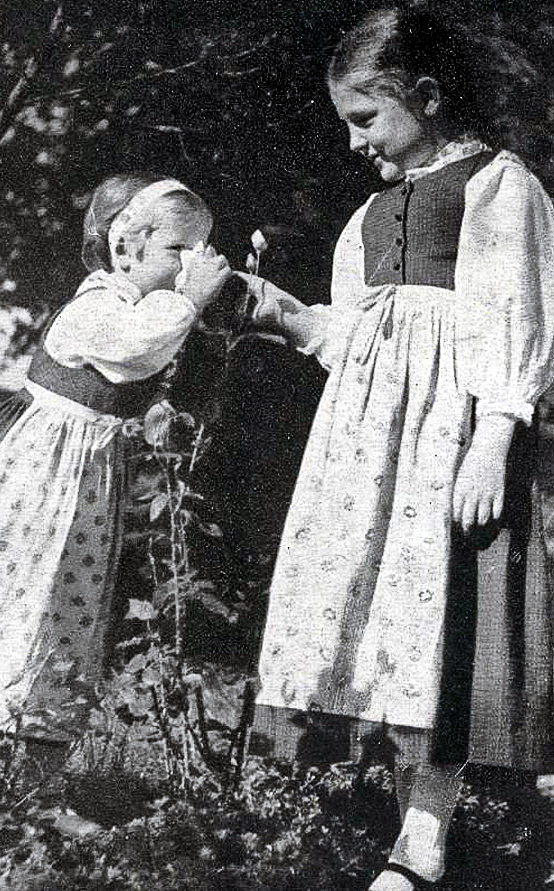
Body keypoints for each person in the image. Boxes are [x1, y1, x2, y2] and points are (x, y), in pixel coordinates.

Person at [242, 7, 554, 890]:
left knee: (454, 621)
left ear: (426, 96)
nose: (353, 141)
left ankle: (423, 842)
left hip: (451, 438)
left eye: (365, 117)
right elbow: (352, 335)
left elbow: (518, 308)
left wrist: (497, 429)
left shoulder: (497, 186)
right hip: (368, 453)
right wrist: (282, 315)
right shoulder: (370, 216)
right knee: (384, 619)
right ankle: (389, 829)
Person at [0, 173, 231, 775]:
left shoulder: (143, 308)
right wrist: (190, 301)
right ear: (125, 246)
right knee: (3, 598)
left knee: (62, 609)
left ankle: (26, 772)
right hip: (34, 479)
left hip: (83, 481)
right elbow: (133, 350)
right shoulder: (95, 305)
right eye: (178, 248)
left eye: (200, 249)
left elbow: (153, 375)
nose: (191, 263)